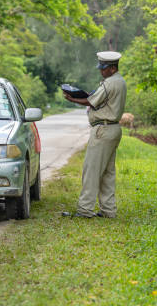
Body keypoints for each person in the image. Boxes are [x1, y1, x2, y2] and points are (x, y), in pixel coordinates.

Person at [61, 51, 127, 218]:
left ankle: (84, 210)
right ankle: (108, 210)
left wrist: (72, 99)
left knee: (91, 170)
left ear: (112, 68)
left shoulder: (109, 83)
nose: (101, 71)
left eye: (104, 68)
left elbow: (91, 101)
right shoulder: (120, 81)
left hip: (102, 130)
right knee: (107, 172)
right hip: (113, 129)